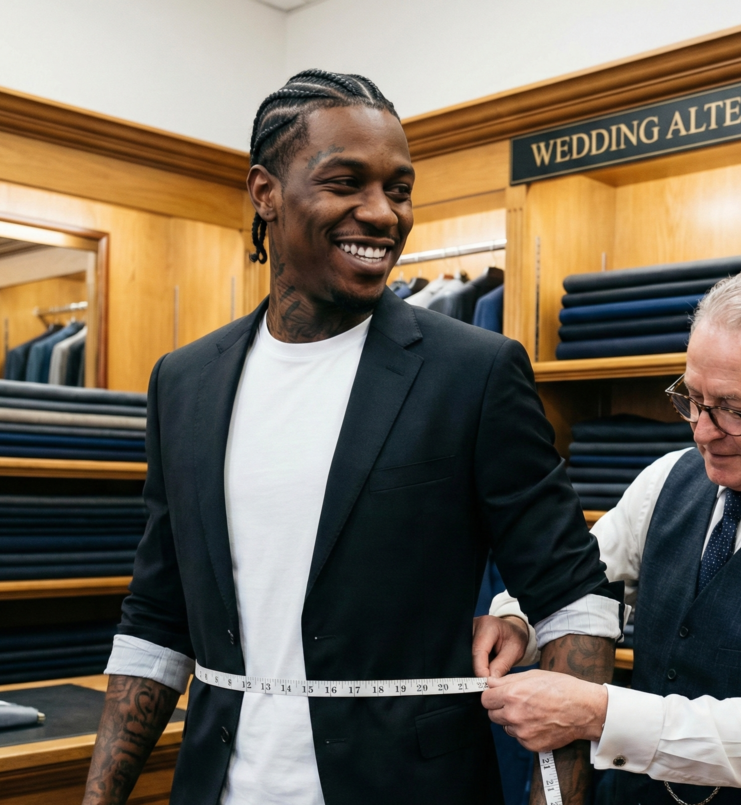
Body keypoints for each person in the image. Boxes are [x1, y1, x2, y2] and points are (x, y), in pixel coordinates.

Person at [80, 70, 617, 805]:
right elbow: (156, 616)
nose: (382, 213)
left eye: (399, 189)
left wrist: (557, 798)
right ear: (264, 192)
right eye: (346, 183)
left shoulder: (474, 373)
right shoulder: (185, 382)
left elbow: (574, 600)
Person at [478, 269, 741, 805]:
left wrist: (596, 711)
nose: (703, 431)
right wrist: (516, 617)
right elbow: (580, 575)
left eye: (732, 410)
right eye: (693, 398)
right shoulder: (667, 479)